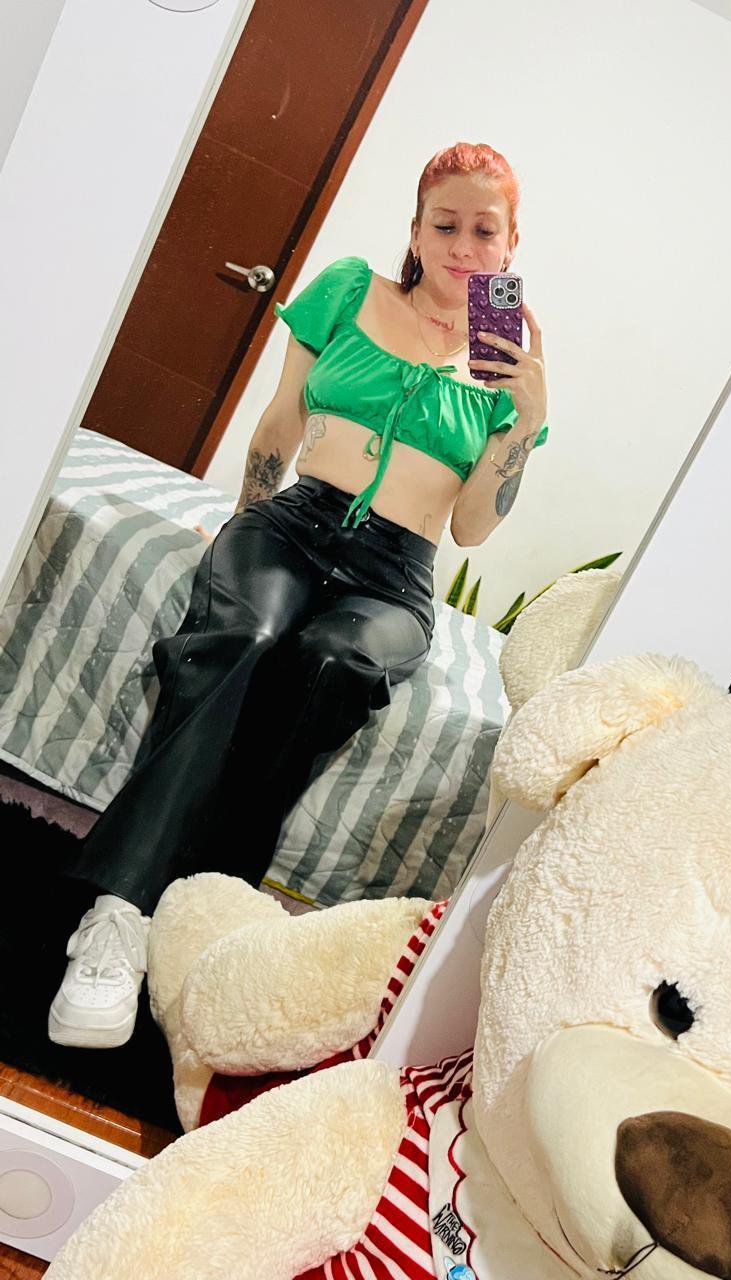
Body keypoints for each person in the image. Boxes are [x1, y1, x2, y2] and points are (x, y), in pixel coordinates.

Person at [48, 141, 549, 1049]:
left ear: (512, 245)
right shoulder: (350, 290)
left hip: (397, 572)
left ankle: (206, 909)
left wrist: (526, 421)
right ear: (416, 231)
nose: (463, 247)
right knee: (245, 635)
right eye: (445, 225)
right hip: (292, 525)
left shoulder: (510, 362)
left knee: (334, 662)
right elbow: (280, 423)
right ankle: (118, 921)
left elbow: (474, 527)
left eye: (486, 231)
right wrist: (237, 529)